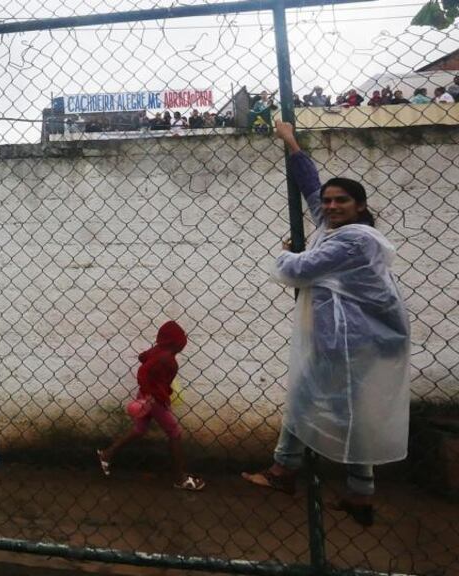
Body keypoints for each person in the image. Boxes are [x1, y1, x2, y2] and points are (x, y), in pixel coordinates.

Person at [243, 121, 411, 527]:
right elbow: (310, 186)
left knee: (308, 398)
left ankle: (285, 471)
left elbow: (298, 270)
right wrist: (291, 143)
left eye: (342, 201)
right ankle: (359, 493)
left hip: (353, 339)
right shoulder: (333, 228)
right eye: (330, 201)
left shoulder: (355, 240)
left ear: (361, 207)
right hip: (348, 337)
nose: (331, 206)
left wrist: (285, 252)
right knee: (352, 410)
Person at [96, 321, 205, 491]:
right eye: (182, 341)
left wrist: (150, 389)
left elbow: (142, 357)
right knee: (175, 433)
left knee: (139, 430)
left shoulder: (160, 352)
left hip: (148, 396)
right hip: (153, 400)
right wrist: (150, 395)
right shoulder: (166, 358)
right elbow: (143, 371)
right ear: (176, 343)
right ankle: (180, 478)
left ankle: (107, 454)